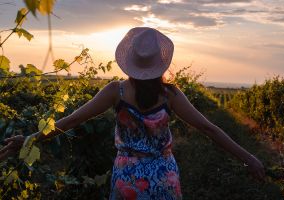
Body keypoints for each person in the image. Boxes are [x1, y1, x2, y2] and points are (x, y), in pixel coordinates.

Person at [0, 27, 265, 199]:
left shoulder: (117, 91)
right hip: (164, 177)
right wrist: (249, 158)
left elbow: (72, 120)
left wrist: (30, 138)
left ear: (130, 61)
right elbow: (209, 129)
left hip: (128, 180)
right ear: (160, 62)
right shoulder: (170, 95)